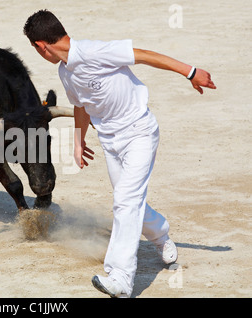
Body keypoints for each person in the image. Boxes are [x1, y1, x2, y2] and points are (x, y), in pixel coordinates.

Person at [23, 10, 216, 298]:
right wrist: (78, 140)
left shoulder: (95, 51)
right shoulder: (65, 72)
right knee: (131, 200)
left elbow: (145, 55)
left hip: (139, 132)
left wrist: (190, 72)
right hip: (110, 142)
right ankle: (161, 233)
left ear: (41, 46)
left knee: (125, 201)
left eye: (35, 49)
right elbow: (81, 105)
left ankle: (121, 278)